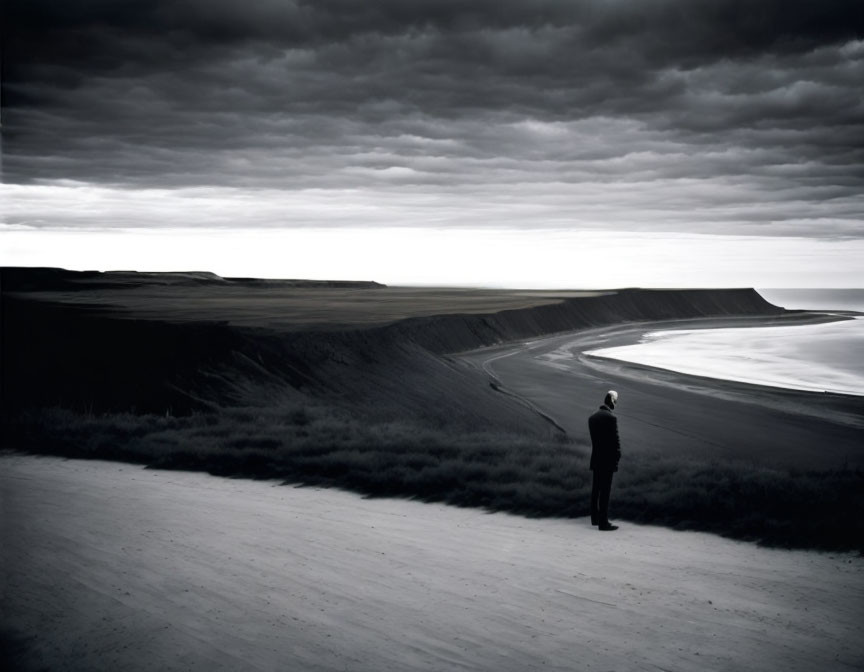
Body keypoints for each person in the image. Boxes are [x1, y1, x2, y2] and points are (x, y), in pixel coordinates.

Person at [588, 390, 621, 531]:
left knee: (596, 490)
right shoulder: (611, 418)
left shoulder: (592, 417)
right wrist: (617, 457)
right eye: (615, 401)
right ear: (612, 401)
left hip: (595, 458)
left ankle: (594, 519)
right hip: (607, 460)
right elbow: (615, 442)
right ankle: (603, 523)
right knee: (605, 491)